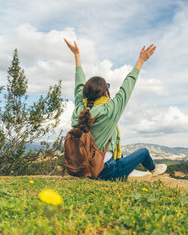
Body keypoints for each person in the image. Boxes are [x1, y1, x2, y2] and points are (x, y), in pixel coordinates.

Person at [64, 38, 167, 181]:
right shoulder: (109, 109)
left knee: (120, 156)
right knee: (144, 152)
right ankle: (155, 170)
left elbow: (79, 83)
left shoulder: (80, 107)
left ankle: (130, 170)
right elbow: (127, 86)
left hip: (84, 168)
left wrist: (77, 57)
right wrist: (141, 61)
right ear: (105, 93)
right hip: (104, 171)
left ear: (85, 93)